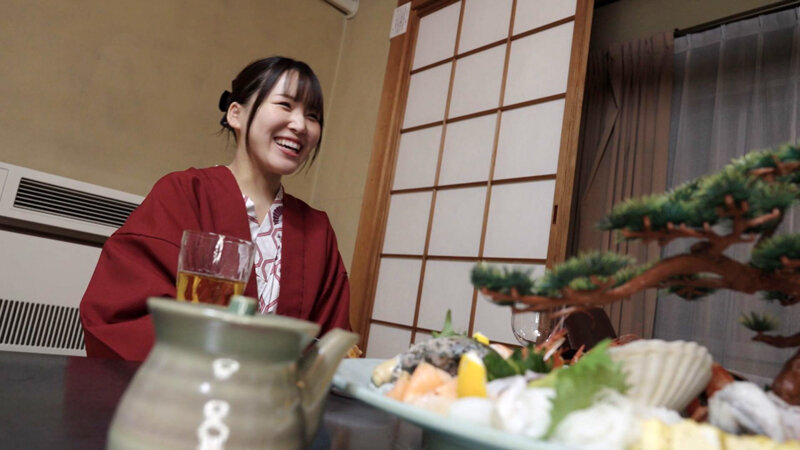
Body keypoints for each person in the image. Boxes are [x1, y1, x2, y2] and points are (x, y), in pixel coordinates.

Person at [79, 57, 351, 361]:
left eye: (313, 116)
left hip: (279, 389)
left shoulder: (317, 230)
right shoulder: (183, 193)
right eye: (285, 105)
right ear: (236, 114)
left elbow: (331, 344)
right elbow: (121, 313)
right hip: (187, 383)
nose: (300, 125)